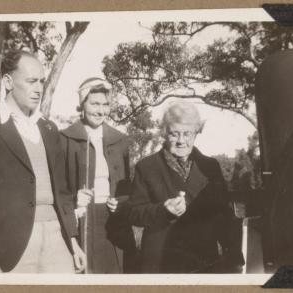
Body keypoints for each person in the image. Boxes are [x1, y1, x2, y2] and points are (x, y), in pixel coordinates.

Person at [0, 50, 85, 273]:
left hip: (58, 240)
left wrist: (73, 241)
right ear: (8, 81)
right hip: (11, 247)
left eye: (42, 82)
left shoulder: (49, 128)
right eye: (31, 81)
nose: (38, 88)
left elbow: (62, 192)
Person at [127, 102, 244, 273]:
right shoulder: (146, 167)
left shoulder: (210, 166)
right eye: (175, 134)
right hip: (160, 263)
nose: (181, 141)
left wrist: (234, 256)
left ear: (196, 133)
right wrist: (162, 210)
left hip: (202, 262)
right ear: (165, 133)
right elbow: (133, 213)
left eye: (187, 134)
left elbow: (224, 215)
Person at [59, 77, 136, 273]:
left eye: (105, 104)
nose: (101, 110)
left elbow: (128, 189)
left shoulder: (120, 141)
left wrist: (122, 201)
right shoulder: (65, 139)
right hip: (81, 220)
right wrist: (76, 200)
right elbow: (59, 190)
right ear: (82, 104)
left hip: (113, 222)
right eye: (94, 104)